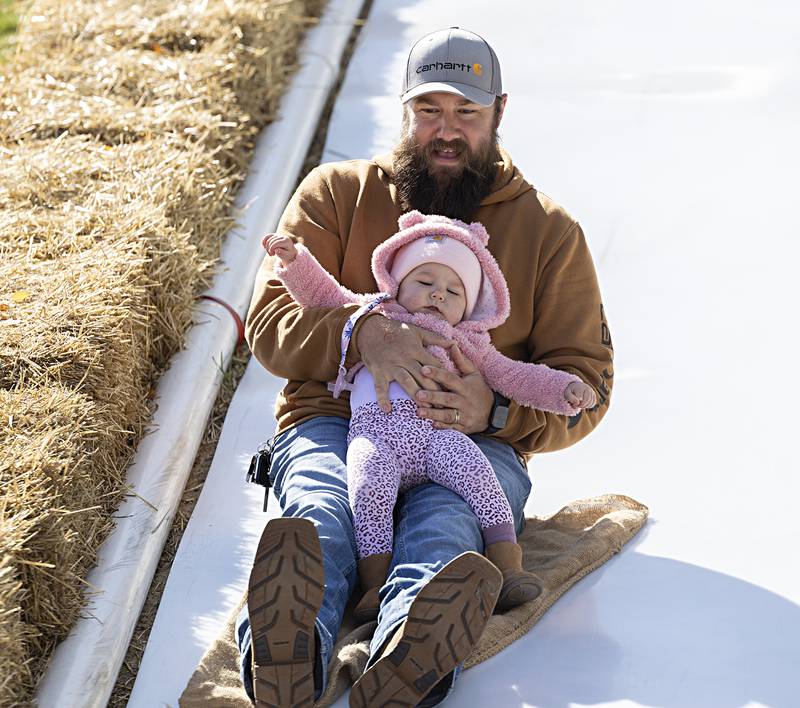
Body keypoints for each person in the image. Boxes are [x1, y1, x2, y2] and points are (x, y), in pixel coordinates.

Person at [239, 25, 614, 708]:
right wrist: (363, 335)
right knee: (323, 515)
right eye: (429, 110)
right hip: (334, 423)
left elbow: (585, 381)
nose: (446, 131)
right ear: (404, 109)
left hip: (475, 443)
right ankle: (283, 658)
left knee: (444, 527)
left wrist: (495, 408)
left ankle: (406, 655)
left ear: (499, 111)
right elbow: (268, 325)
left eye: (466, 113)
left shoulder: (550, 232)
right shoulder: (336, 194)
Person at [262, 210, 597, 624]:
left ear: (471, 307)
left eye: (455, 291)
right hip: (376, 437)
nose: (439, 294)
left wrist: (564, 390)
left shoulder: (468, 342)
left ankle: (507, 564)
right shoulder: (375, 315)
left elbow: (515, 376)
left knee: (479, 477)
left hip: (436, 436)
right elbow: (324, 295)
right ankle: (373, 587)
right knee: (366, 491)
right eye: (425, 282)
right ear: (397, 284)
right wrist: (295, 262)